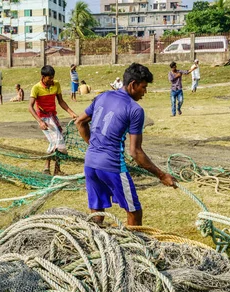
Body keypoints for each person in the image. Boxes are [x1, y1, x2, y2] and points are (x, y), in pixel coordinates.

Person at [74, 63, 177, 226]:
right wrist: (162, 175)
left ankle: (97, 242)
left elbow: (80, 122)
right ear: (133, 85)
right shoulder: (135, 110)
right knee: (134, 211)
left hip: (90, 163)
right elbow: (135, 152)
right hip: (112, 166)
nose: (145, 92)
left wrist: (94, 146)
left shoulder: (102, 96)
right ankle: (133, 249)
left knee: (97, 210)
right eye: (143, 87)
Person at [28, 65, 78, 176]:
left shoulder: (56, 84)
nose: (51, 80)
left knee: (56, 142)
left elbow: (61, 101)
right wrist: (40, 122)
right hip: (44, 119)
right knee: (58, 142)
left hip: (53, 117)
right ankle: (50, 168)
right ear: (43, 77)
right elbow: (30, 107)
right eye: (49, 78)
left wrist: (71, 113)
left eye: (52, 77)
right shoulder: (36, 88)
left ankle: (54, 169)